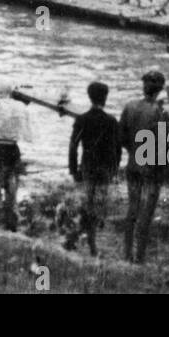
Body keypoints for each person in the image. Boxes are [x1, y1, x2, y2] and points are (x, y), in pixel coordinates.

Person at [120, 70, 169, 263]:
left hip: (133, 163)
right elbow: (162, 144)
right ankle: (139, 257)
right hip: (150, 168)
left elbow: (121, 136)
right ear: (160, 89)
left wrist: (134, 150)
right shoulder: (161, 112)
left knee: (132, 210)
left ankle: (127, 254)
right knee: (146, 214)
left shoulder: (129, 106)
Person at [67, 81, 121, 255]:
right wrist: (115, 169)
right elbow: (117, 149)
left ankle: (87, 241)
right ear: (105, 98)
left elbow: (73, 146)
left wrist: (73, 169)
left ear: (89, 97)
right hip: (105, 169)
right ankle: (92, 240)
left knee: (87, 203)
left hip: (88, 167)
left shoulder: (82, 119)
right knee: (99, 205)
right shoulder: (111, 121)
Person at [0, 83, 31, 231]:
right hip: (12, 147)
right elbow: (27, 131)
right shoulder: (20, 106)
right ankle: (11, 219)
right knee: (11, 183)